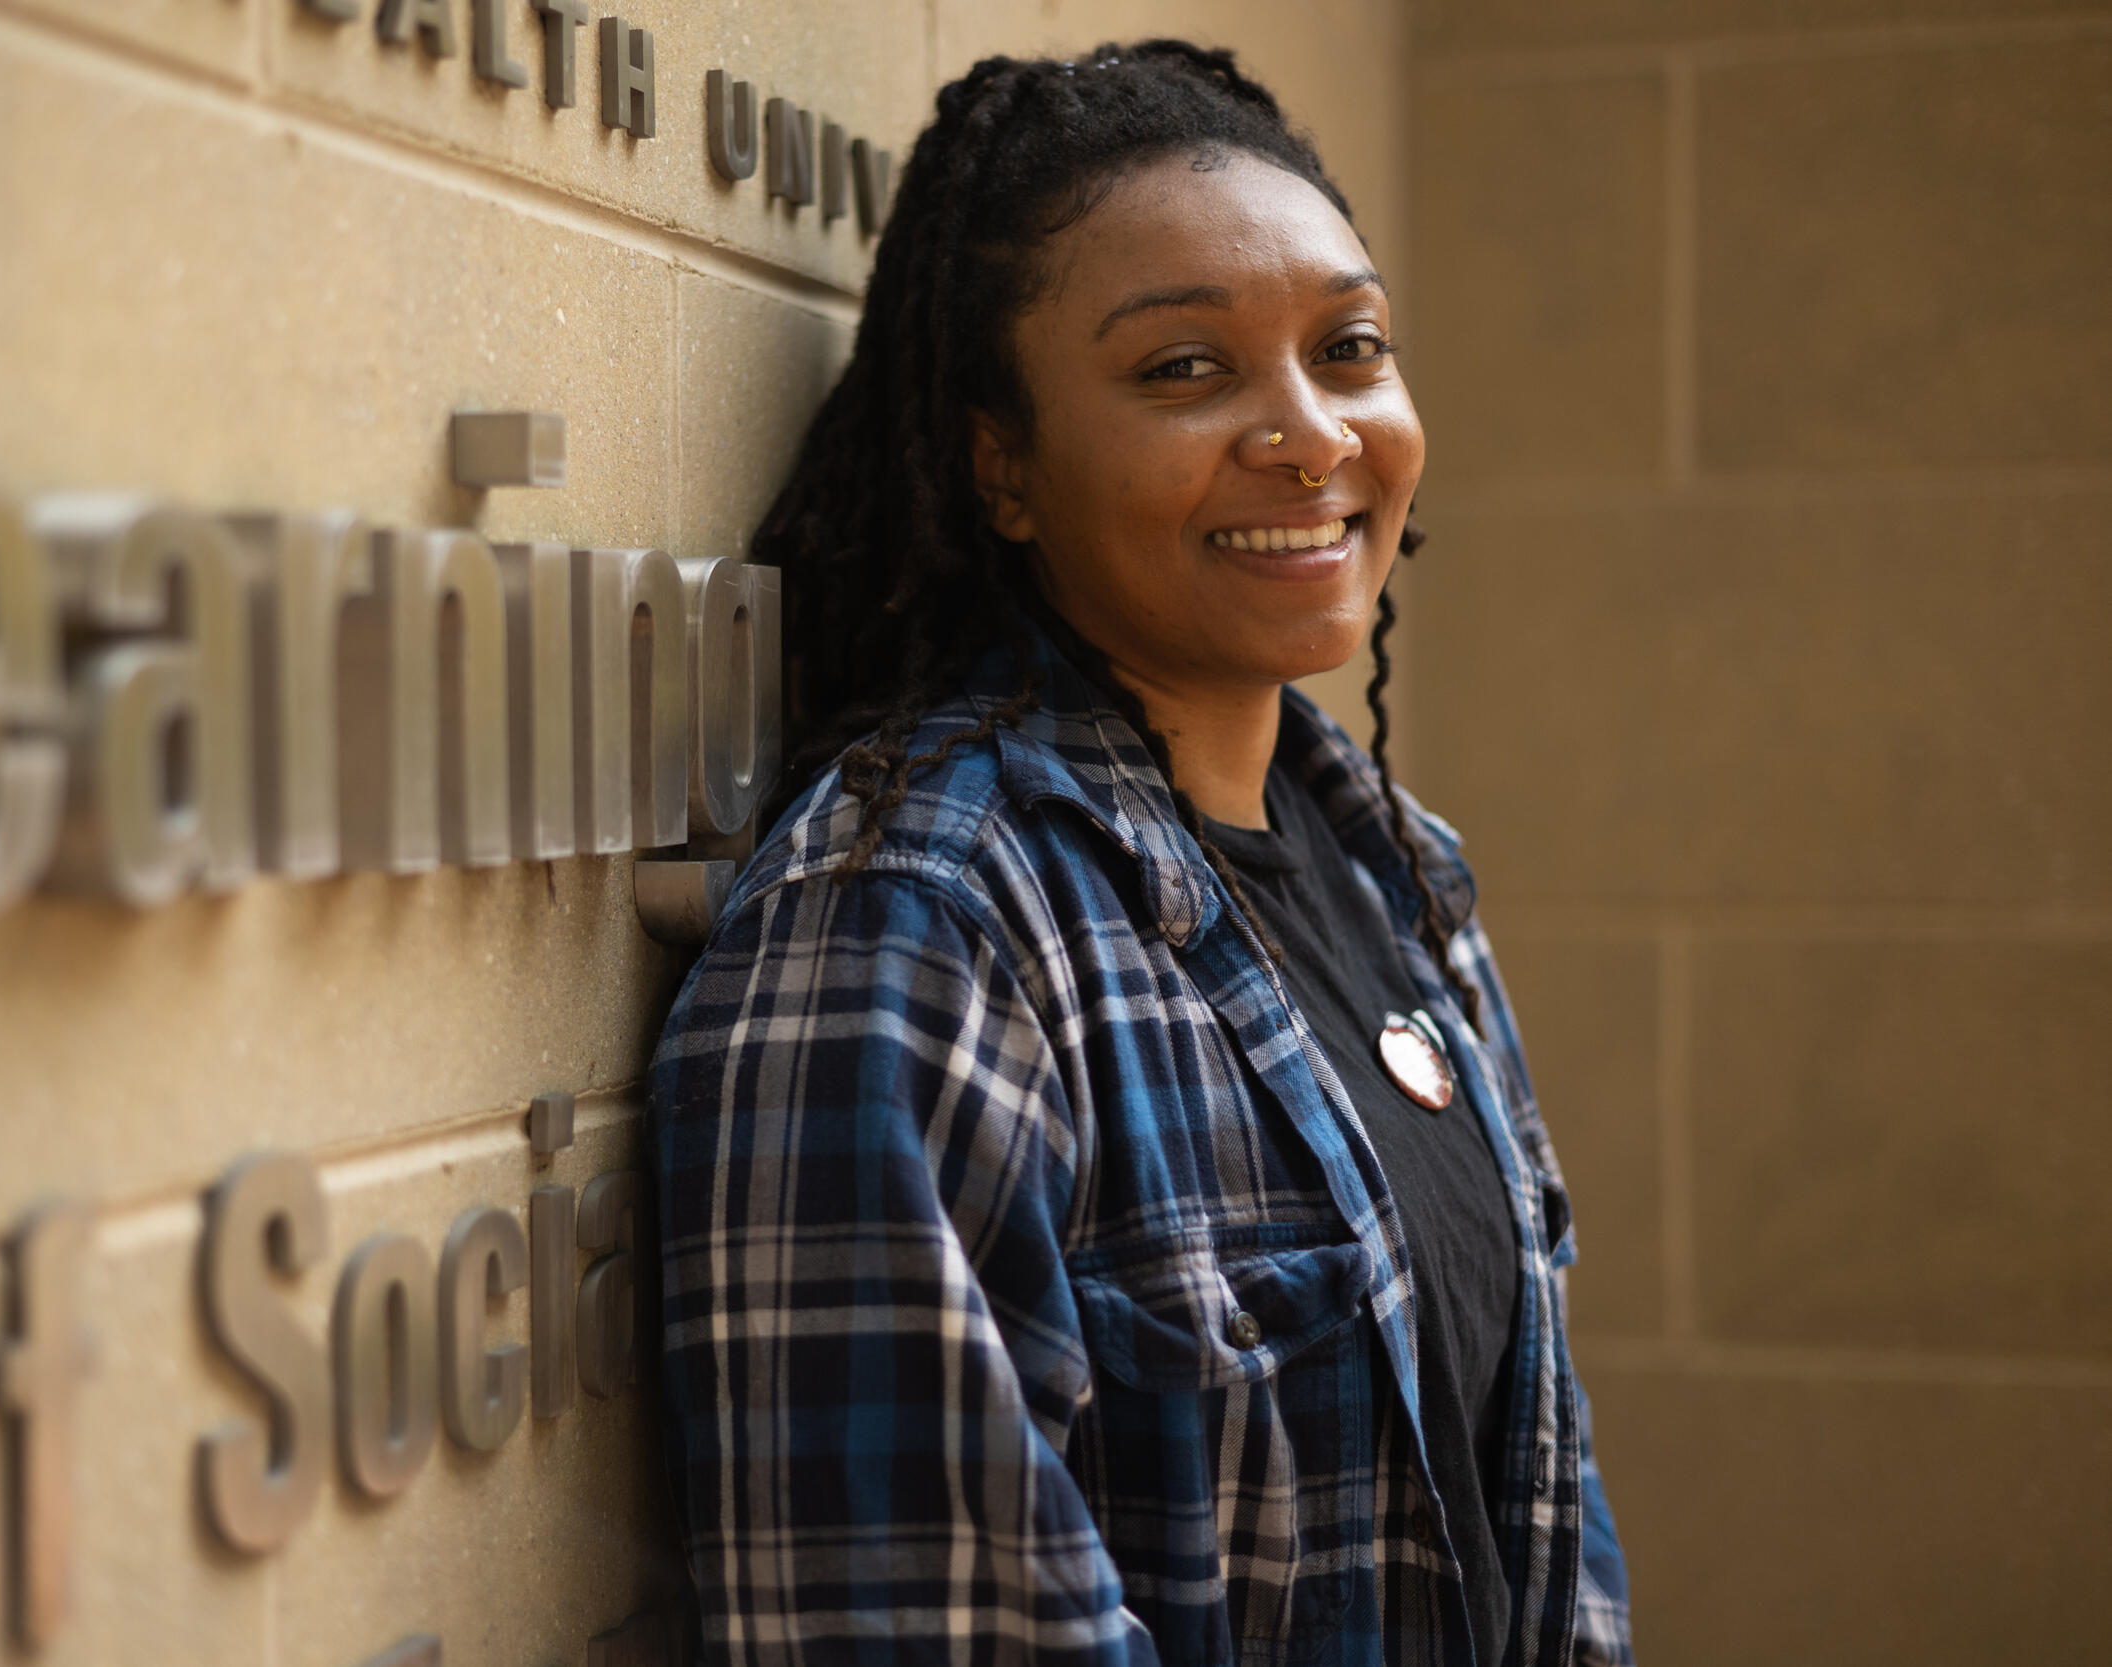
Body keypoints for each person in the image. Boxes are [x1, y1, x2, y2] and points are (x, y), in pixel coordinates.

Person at [648, 41, 1633, 1667]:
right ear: (1002, 466)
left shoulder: (1398, 877)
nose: (1311, 437)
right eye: (1185, 370)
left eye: (1352, 347)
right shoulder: (916, 931)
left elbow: (1548, 1531)